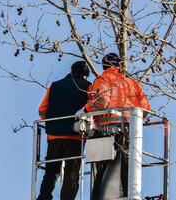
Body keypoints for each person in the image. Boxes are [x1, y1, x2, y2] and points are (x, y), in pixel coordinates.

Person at [76, 53, 151, 199]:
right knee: (127, 165)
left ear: (104, 66)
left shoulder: (103, 79)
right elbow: (145, 109)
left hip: (109, 129)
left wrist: (84, 110)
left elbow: (101, 101)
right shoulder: (132, 82)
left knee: (101, 170)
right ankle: (131, 195)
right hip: (131, 129)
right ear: (119, 65)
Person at [37, 61, 92, 200]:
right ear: (85, 75)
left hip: (53, 136)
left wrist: (55, 119)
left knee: (51, 172)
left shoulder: (54, 86)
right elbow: (93, 108)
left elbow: (42, 111)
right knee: (71, 173)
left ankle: (44, 197)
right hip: (75, 137)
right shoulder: (87, 87)